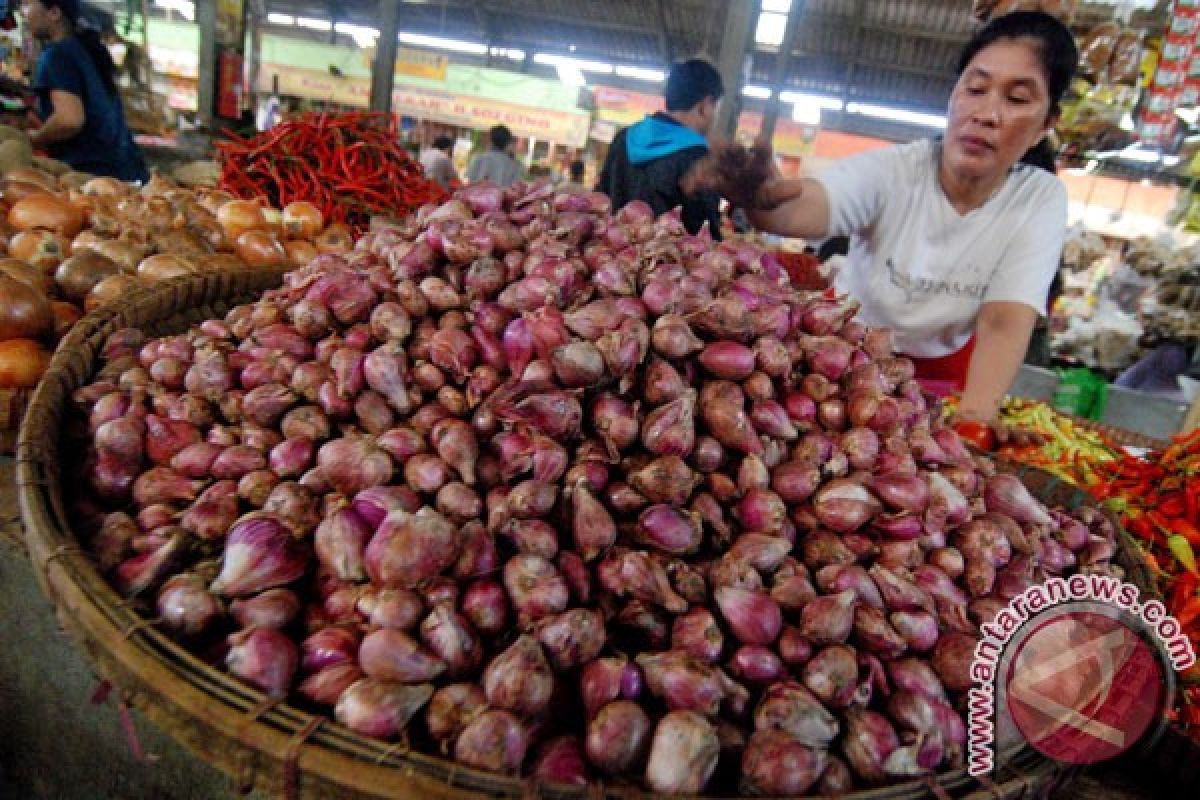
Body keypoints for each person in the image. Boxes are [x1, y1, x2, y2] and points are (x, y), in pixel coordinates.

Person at [723, 11, 1077, 435]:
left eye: (1017, 100)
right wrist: (762, 200)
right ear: (953, 95)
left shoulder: (1040, 198)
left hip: (942, 384)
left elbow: (1005, 320)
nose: (986, 113)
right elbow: (808, 206)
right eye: (976, 89)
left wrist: (974, 421)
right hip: (837, 367)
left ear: (1046, 125)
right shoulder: (896, 171)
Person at [597, 58, 724, 239]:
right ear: (705, 106)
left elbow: (600, 202)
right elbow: (705, 234)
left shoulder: (624, 138)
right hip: (667, 263)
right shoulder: (698, 158)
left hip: (610, 260)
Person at [22, 0, 148, 182]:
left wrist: (36, 138)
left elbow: (69, 120)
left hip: (92, 177)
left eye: (29, 5)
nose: (26, 14)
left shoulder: (57, 56)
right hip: (126, 170)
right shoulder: (85, 49)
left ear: (54, 13)